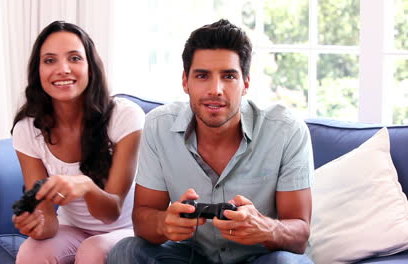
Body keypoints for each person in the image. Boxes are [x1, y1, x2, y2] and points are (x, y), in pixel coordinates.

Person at [107, 19, 314, 264]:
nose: (215, 89)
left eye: (228, 76)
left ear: (245, 83)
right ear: (185, 81)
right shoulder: (158, 125)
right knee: (127, 251)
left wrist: (266, 228)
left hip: (260, 258)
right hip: (191, 255)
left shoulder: (287, 130)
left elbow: (300, 235)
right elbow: (143, 219)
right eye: (202, 75)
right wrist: (164, 224)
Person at [11, 21, 145, 264]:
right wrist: (36, 224)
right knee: (31, 252)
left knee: (93, 250)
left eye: (74, 58)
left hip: (128, 228)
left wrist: (85, 185)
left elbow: (110, 213)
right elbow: (48, 222)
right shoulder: (27, 130)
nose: (62, 69)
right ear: (38, 72)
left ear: (90, 68)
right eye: (50, 60)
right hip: (72, 228)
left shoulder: (125, 117)